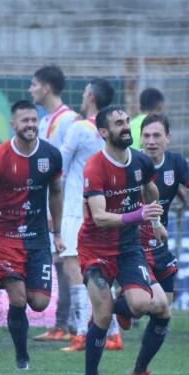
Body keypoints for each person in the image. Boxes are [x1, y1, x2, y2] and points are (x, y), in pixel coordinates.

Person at [78, 105, 171, 375]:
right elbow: (99, 217)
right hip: (96, 249)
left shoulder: (141, 161)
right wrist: (139, 215)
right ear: (104, 132)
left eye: (127, 121)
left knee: (156, 307)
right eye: (118, 123)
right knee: (103, 314)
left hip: (129, 247)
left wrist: (155, 222)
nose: (126, 126)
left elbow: (150, 190)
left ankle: (139, 372)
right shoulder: (95, 167)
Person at [0, 100, 65, 370]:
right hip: (4, 237)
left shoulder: (51, 155)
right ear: (13, 124)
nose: (31, 125)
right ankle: (22, 359)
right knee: (19, 299)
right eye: (25, 121)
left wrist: (58, 233)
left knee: (39, 303)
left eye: (34, 120)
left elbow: (56, 192)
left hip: (37, 237)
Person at [59, 78, 124, 353]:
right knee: (100, 270)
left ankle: (81, 333)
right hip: (104, 210)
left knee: (72, 266)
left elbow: (59, 166)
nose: (83, 96)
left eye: (86, 92)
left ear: (91, 98)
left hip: (76, 209)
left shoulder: (79, 129)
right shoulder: (111, 133)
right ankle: (114, 334)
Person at [138, 113, 189, 304]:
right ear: (140, 138)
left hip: (159, 241)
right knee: (143, 303)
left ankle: (120, 304)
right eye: (146, 136)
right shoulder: (132, 163)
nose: (151, 141)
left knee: (164, 309)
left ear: (168, 137)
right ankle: (119, 306)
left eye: (157, 135)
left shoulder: (176, 162)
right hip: (133, 244)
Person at [28, 65, 79, 342]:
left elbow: (69, 169)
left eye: (34, 84)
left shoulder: (69, 120)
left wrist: (57, 209)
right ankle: (65, 324)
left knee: (67, 261)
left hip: (68, 205)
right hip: (51, 203)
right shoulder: (45, 120)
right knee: (60, 261)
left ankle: (69, 325)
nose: (31, 89)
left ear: (46, 88)